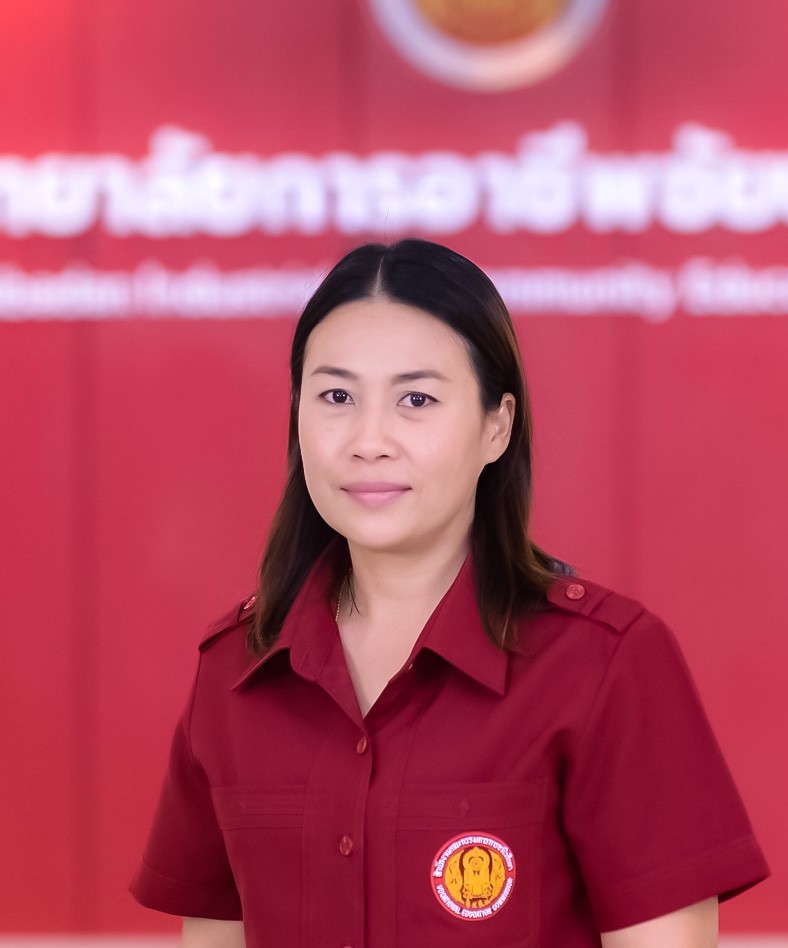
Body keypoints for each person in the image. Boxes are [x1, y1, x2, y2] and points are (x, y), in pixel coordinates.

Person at [131, 239, 768, 947]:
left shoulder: (604, 665)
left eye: (417, 399)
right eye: (337, 396)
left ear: (497, 425)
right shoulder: (235, 669)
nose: (369, 440)